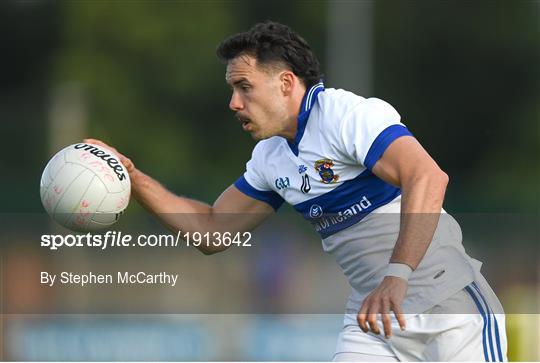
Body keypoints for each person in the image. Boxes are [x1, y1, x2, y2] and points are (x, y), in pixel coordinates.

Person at [86, 21, 507, 361]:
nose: (234, 102)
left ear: (286, 83)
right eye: (232, 90)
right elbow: (211, 230)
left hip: (449, 307)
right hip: (375, 318)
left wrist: (397, 276)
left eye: (244, 87)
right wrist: (131, 176)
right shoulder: (270, 158)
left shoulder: (345, 115)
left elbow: (428, 177)